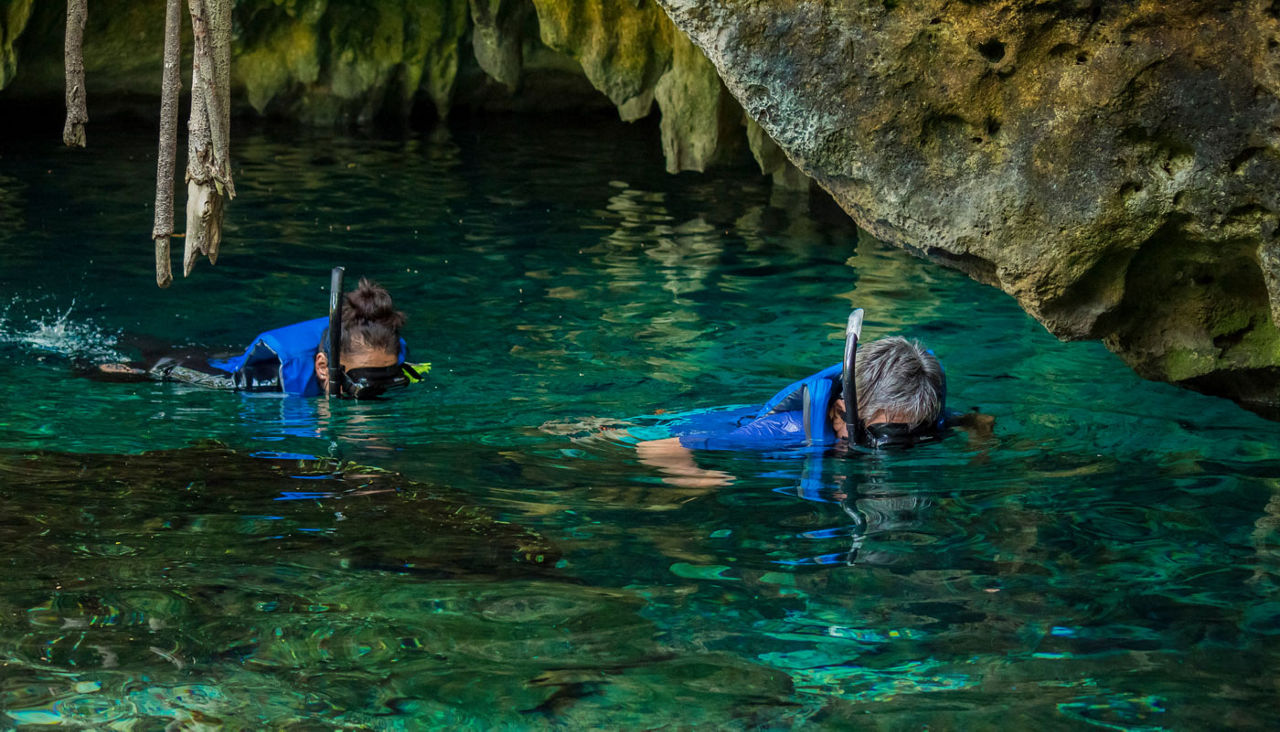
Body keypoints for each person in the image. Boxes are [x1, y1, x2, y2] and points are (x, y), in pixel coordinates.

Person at [96, 277, 428, 399]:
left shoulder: (385, 351)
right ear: (324, 368)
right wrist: (140, 373)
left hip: (254, 354)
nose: (377, 392)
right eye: (366, 383)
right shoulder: (268, 382)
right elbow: (187, 376)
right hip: (218, 371)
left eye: (387, 381)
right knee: (156, 360)